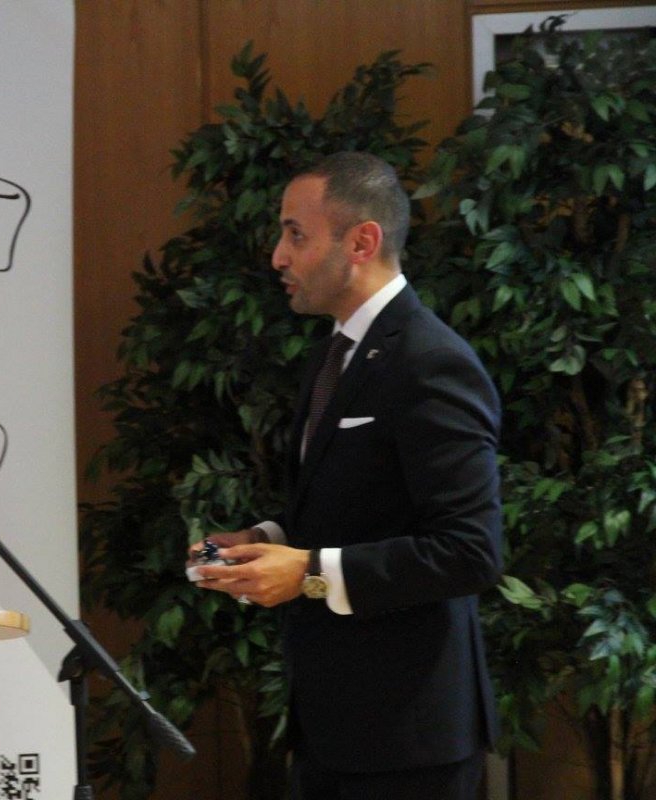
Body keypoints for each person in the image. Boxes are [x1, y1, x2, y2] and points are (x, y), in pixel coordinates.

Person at [190, 152, 502, 799]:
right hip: (333, 728)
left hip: (409, 740)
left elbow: (470, 552)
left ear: (362, 242)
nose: (278, 256)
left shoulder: (432, 361)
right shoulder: (334, 354)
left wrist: (306, 571)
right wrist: (263, 539)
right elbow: (353, 510)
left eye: (295, 235)